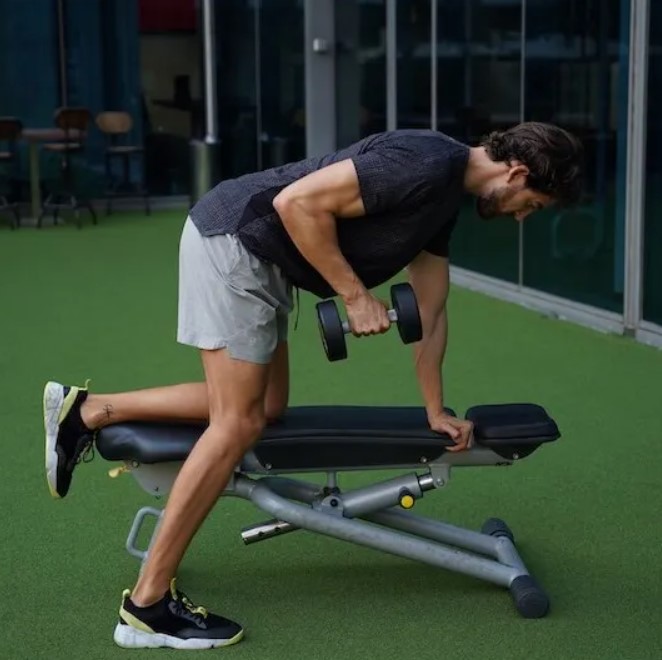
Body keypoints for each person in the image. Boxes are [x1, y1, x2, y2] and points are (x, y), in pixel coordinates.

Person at [43, 122, 583, 650]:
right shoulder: (425, 162)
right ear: (515, 174)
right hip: (236, 243)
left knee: (267, 407)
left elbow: (432, 313)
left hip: (264, 260)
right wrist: (354, 295)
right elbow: (296, 204)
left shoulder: (442, 202)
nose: (520, 218)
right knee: (239, 422)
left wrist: (435, 408)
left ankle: (89, 411)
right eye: (530, 205)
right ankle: (146, 608)